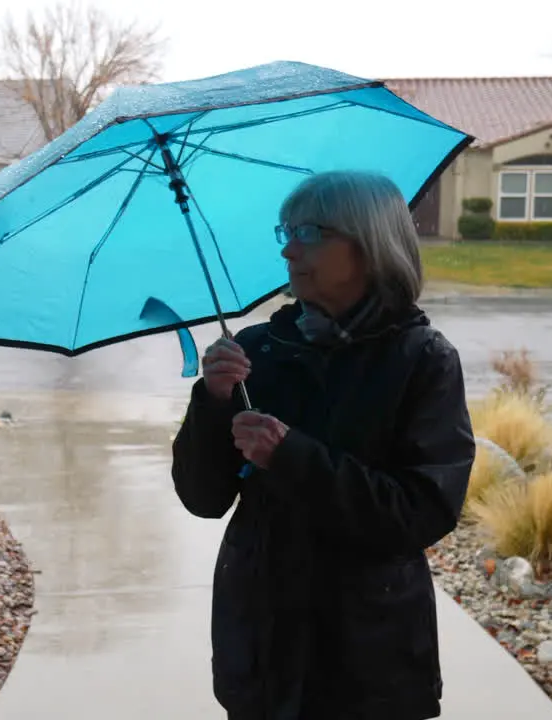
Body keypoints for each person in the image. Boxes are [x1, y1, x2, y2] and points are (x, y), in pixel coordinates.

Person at [171, 170, 475, 720]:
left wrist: (291, 456)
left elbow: (422, 512)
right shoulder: (256, 351)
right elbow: (202, 496)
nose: (288, 249)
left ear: (369, 243)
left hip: (368, 656)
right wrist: (214, 402)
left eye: (309, 232)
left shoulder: (423, 360)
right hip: (261, 644)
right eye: (285, 231)